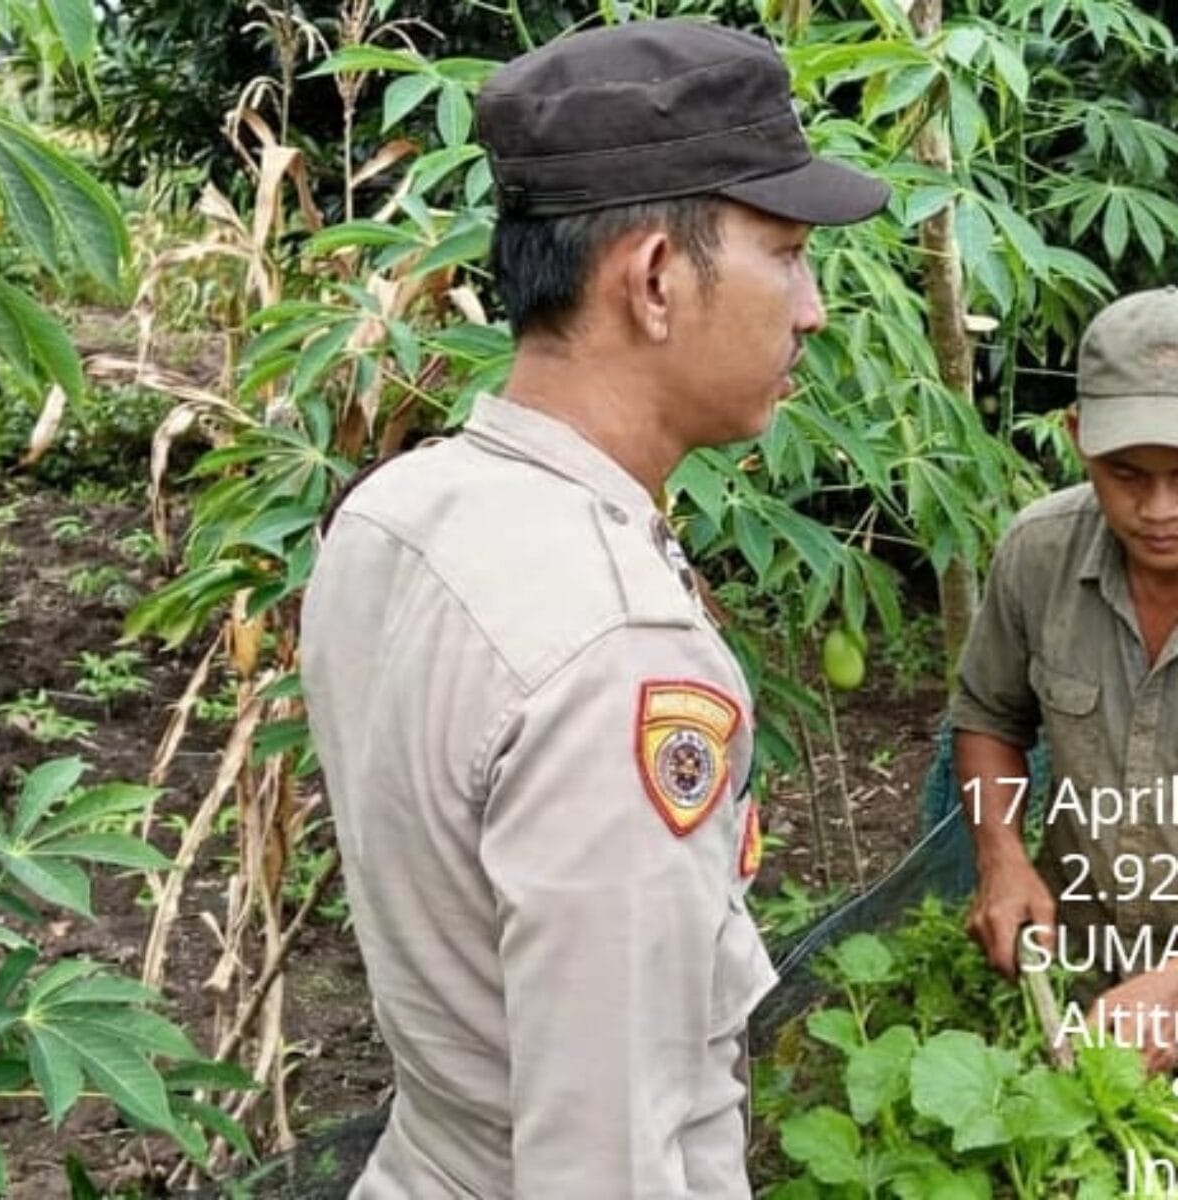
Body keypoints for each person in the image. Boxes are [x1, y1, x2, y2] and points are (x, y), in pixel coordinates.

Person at [301, 19, 889, 1198]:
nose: (812, 308)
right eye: (786, 254)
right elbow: (606, 1150)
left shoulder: (399, 509)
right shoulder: (619, 649)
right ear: (657, 281)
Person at [953, 285, 1178, 1074]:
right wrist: (1000, 854)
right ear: (1079, 438)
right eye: (1126, 474)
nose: (1158, 509)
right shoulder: (1039, 553)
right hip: (1081, 970)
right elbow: (990, 715)